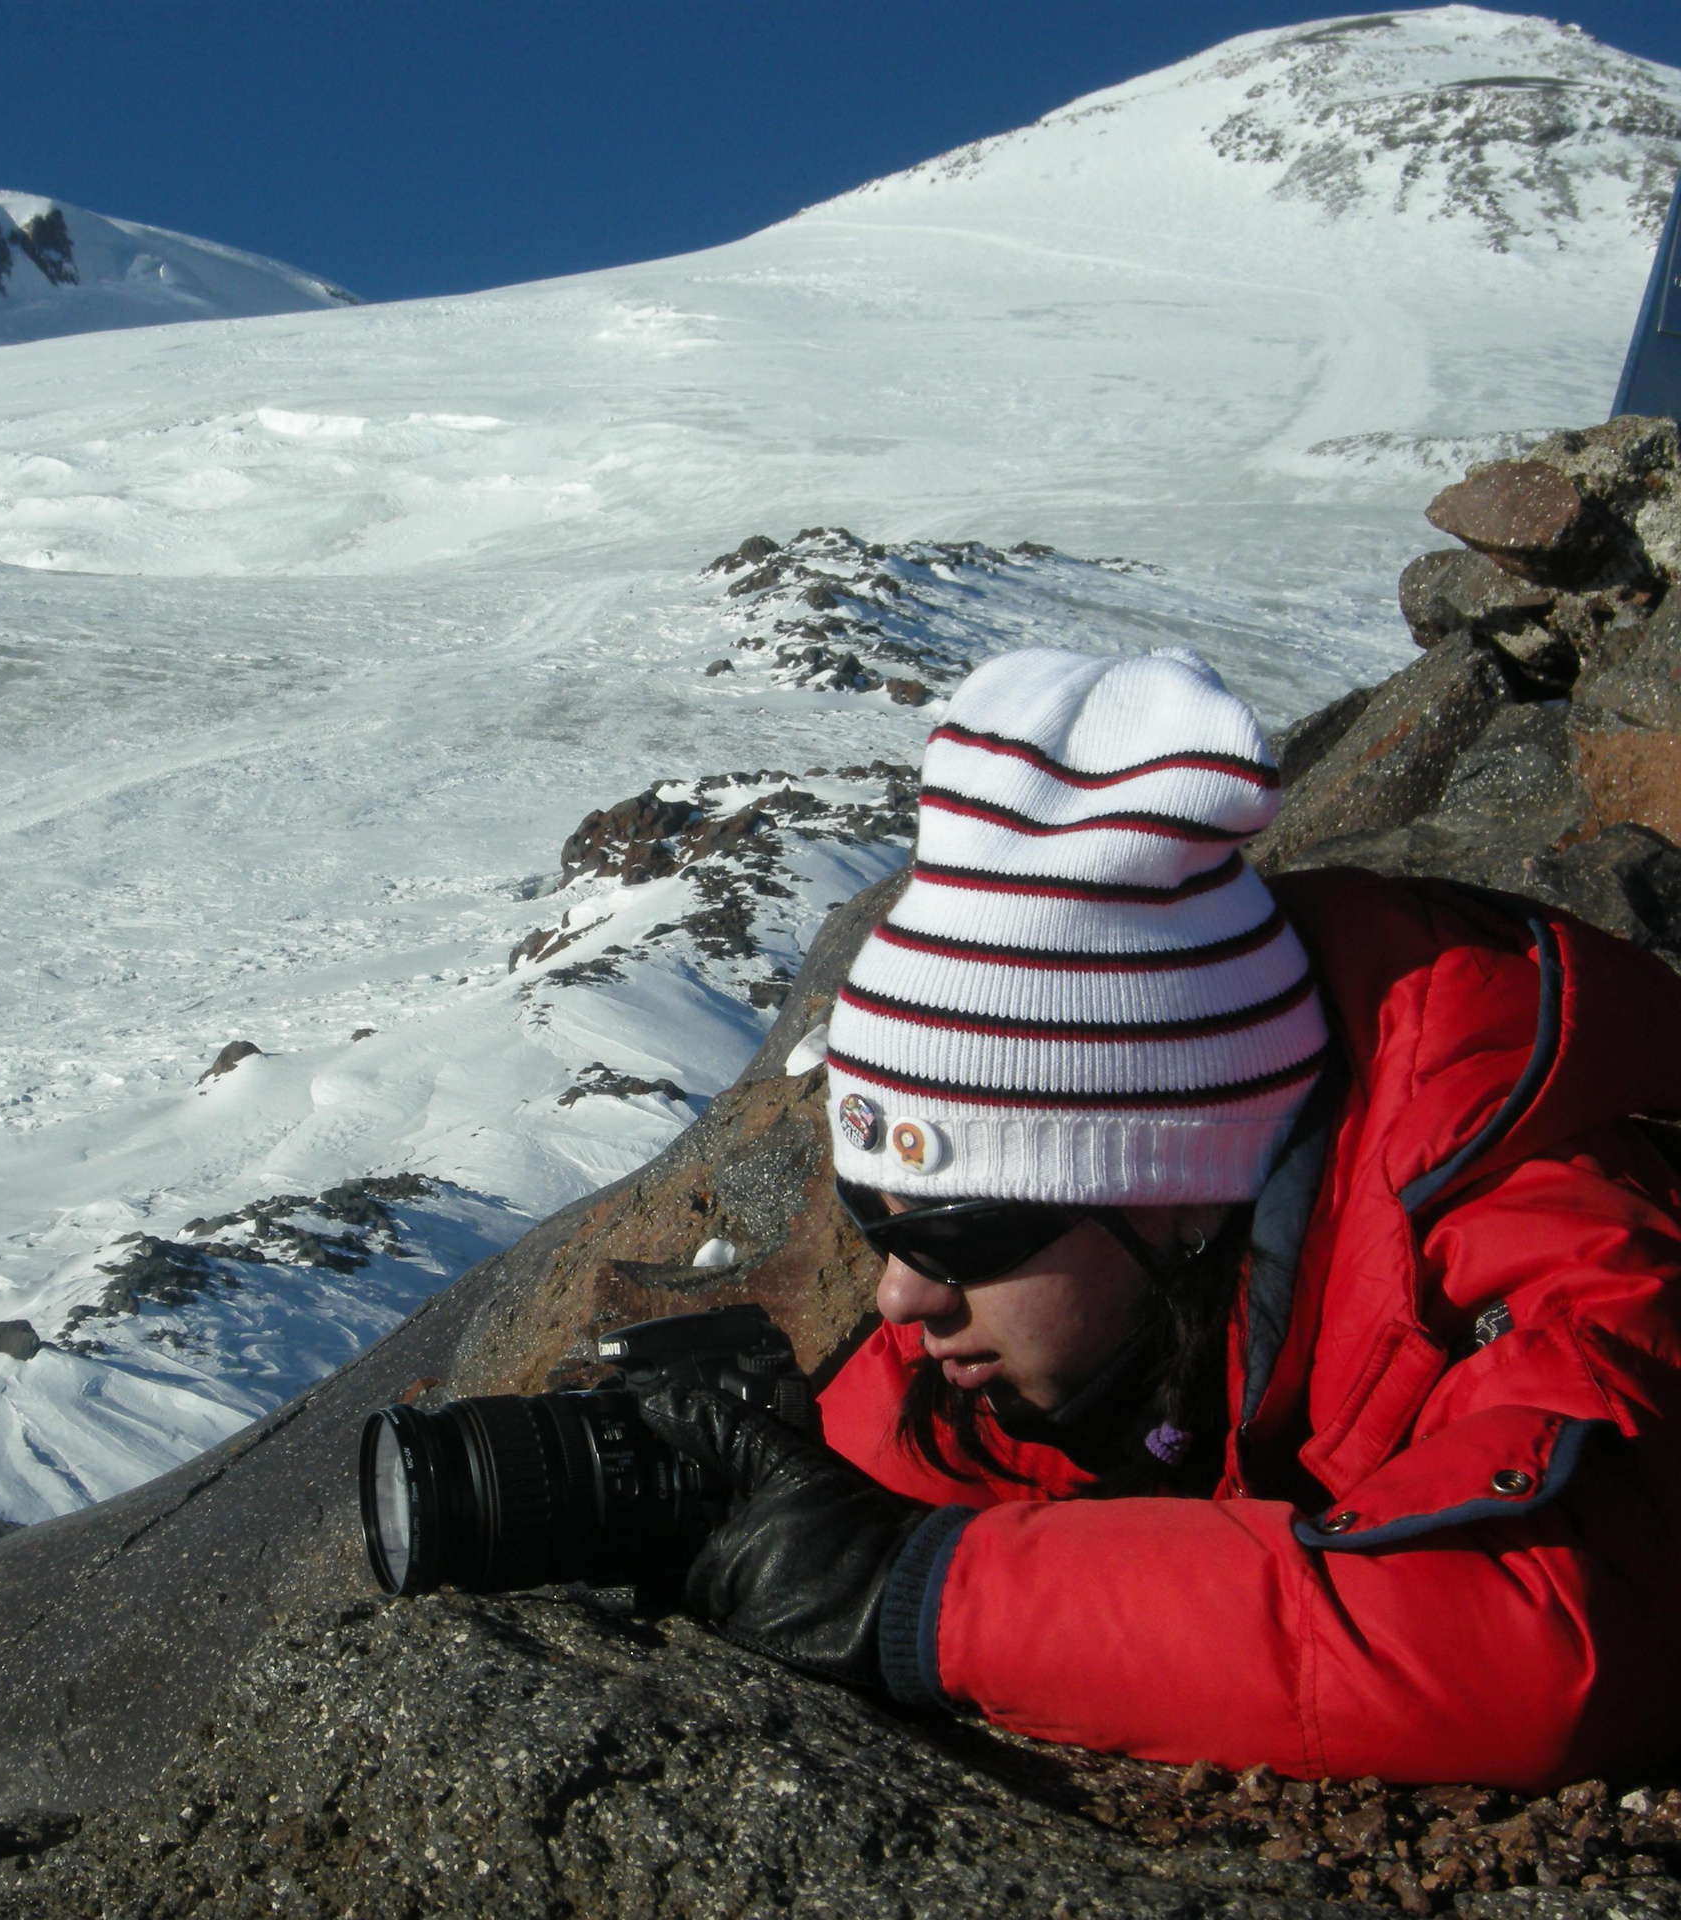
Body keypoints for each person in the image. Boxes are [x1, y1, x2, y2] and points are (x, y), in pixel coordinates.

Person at [636, 645, 1681, 1791]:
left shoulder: (1539, 1229)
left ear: (1182, 1187)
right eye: (875, 1227)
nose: (900, 1296)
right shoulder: (1097, 1298)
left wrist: (920, 1596)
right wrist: (696, 1486)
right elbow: (885, 1463)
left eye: (959, 1238)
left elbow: (1548, 1635)